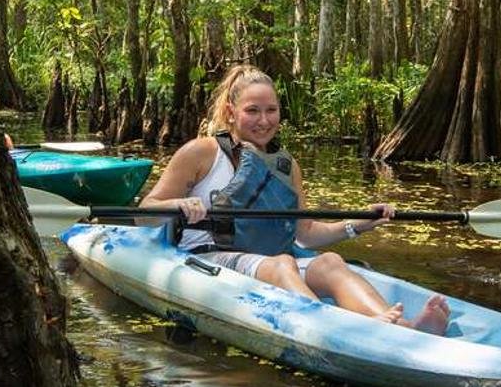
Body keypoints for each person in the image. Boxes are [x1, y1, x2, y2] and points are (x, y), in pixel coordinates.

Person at [138, 64, 451, 333]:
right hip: (210, 258)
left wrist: (357, 225)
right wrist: (178, 205)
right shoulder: (202, 152)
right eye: (252, 111)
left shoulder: (286, 167)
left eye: (271, 110)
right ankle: (334, 330)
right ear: (231, 113)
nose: (264, 120)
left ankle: (402, 328)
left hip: (266, 258)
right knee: (283, 263)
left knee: (330, 262)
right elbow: (145, 213)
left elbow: (305, 234)